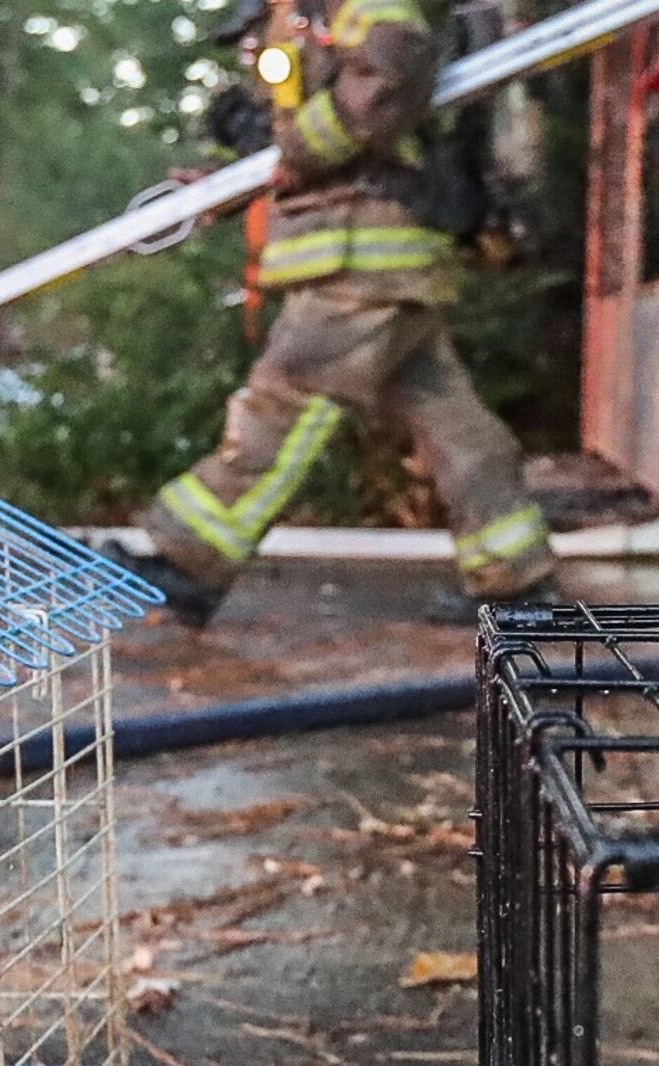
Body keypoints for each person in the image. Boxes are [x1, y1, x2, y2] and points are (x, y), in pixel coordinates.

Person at [116, 0, 558, 627]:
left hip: (362, 261)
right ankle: (516, 581)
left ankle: (188, 565)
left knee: (285, 403)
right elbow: (303, 141)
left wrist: (296, 149)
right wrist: (228, 181)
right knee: (453, 426)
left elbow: (390, 74)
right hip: (378, 261)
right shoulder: (302, 16)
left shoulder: (362, 6)